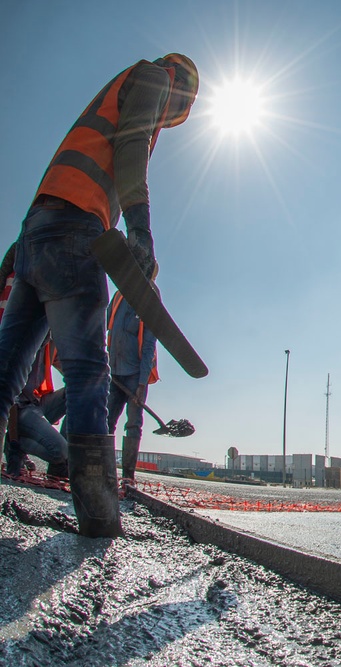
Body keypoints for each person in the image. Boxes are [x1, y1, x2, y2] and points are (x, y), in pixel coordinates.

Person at [0, 54, 199, 537]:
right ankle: (98, 512)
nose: (167, 121)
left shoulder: (108, 94)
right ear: (183, 89)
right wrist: (140, 229)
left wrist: (16, 256)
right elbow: (131, 144)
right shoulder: (155, 77)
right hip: (75, 231)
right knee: (91, 371)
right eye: (174, 114)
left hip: (37, 230)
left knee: (6, 370)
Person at [106, 279, 159, 486]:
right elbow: (108, 328)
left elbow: (148, 345)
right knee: (107, 420)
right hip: (114, 372)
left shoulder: (149, 299)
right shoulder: (118, 296)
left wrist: (141, 384)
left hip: (134, 375)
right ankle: (106, 468)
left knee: (133, 423)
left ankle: (128, 475)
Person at [3, 336, 68, 480]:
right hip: (20, 410)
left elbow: (71, 372)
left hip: (37, 403)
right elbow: (11, 398)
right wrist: (13, 441)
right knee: (59, 452)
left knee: (78, 391)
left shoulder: (50, 343)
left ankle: (63, 464)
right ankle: (18, 444)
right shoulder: (22, 341)